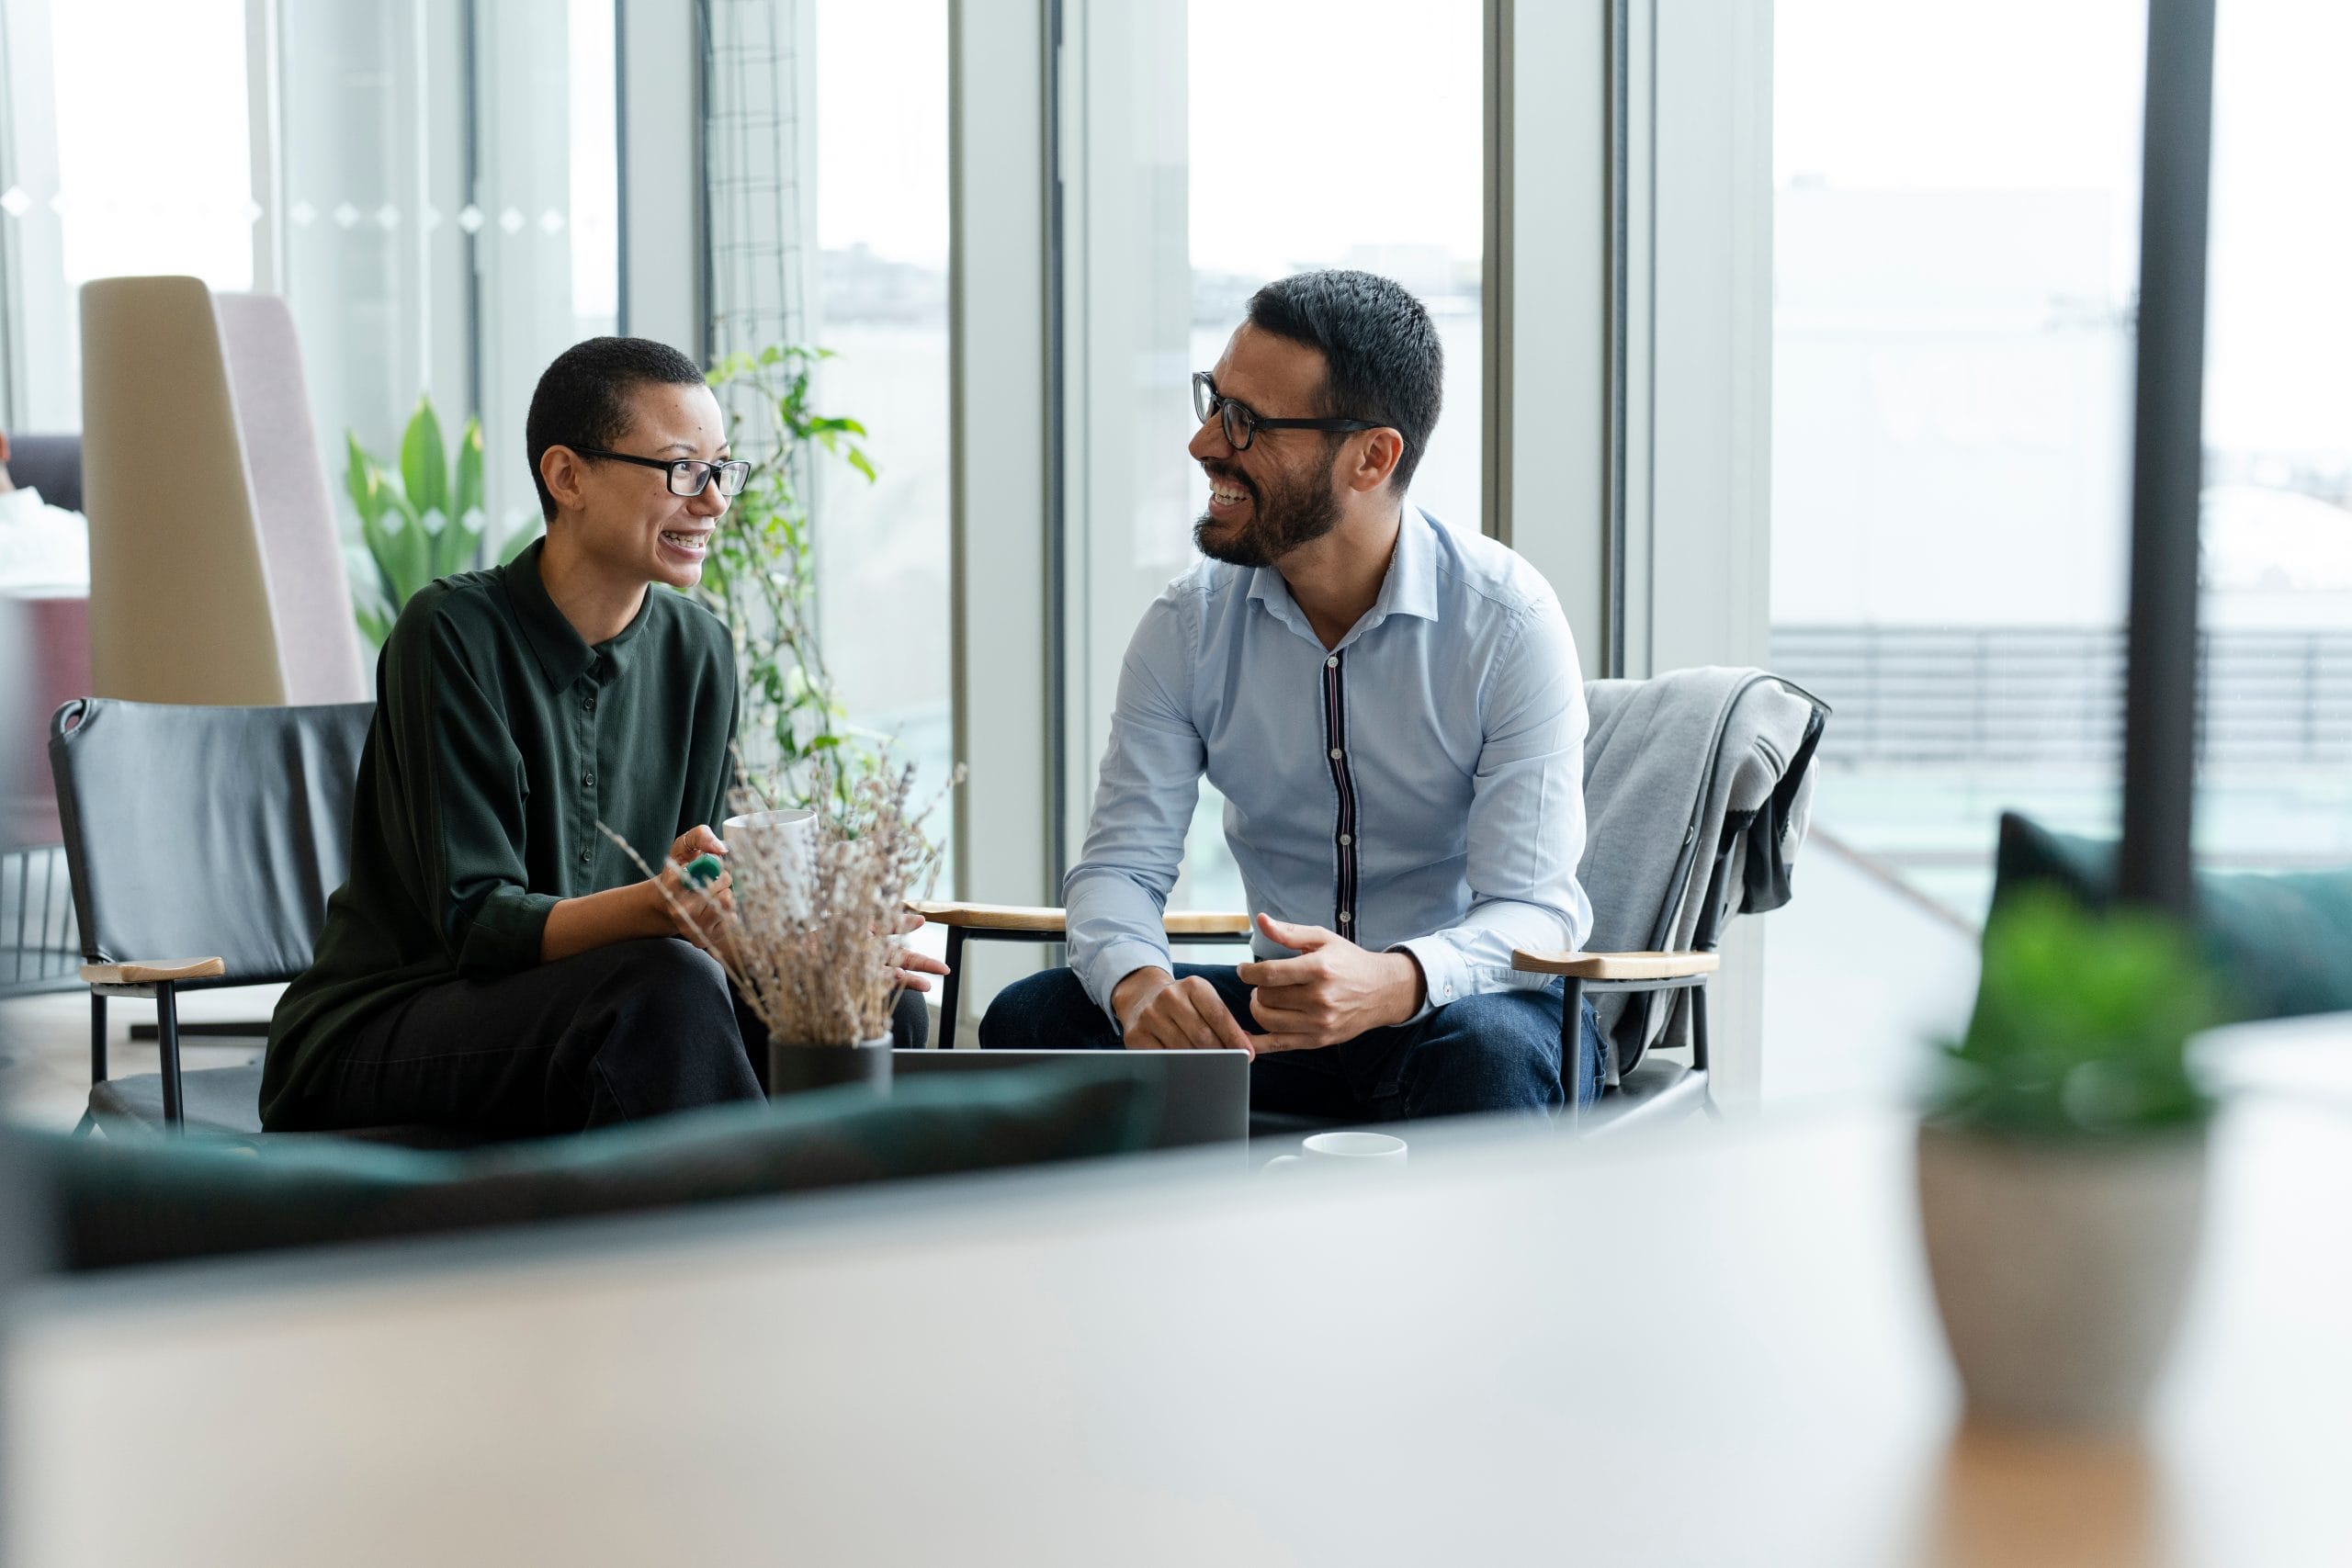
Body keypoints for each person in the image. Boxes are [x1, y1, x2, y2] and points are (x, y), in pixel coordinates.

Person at [262, 337, 940, 1134]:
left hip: (606, 1004)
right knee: (663, 989)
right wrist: (660, 910)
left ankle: (820, 1231)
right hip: (387, 1027)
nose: (715, 501)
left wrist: (807, 940)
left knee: (864, 1002)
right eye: (684, 469)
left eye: (722, 470)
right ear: (567, 476)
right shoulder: (449, 634)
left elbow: (696, 895)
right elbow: (479, 921)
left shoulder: (700, 652)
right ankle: (755, 1239)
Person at [980, 270, 1602, 1120]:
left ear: (1372, 456)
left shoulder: (1507, 624)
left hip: (1461, 1011)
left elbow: (1534, 911)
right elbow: (1120, 869)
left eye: (1247, 423)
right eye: (1213, 402)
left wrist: (1395, 978)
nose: (1204, 444)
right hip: (1277, 1021)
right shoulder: (1187, 627)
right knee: (1034, 1018)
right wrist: (1140, 988)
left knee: (1488, 1054)